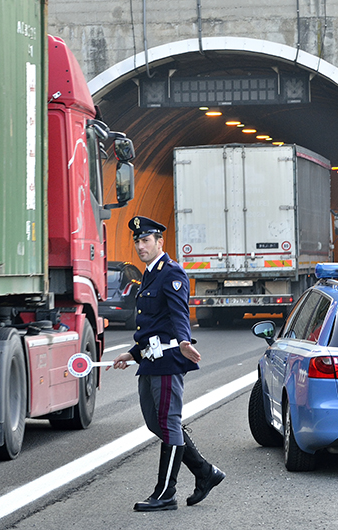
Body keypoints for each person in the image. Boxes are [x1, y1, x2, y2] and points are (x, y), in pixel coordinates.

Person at [110, 216, 225, 512]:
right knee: (156, 422)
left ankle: (165, 493)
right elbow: (153, 324)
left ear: (160, 241)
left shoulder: (171, 273)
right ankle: (205, 473)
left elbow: (177, 314)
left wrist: (185, 342)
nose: (140, 245)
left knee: (168, 423)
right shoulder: (148, 274)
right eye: (137, 240)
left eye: (146, 240)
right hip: (149, 361)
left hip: (168, 360)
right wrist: (132, 354)